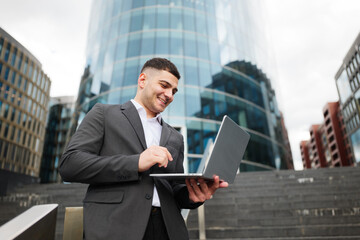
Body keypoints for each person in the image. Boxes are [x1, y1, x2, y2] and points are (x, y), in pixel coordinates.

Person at [59, 58, 228, 240]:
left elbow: (174, 189)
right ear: (142, 80)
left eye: (174, 91)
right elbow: (70, 164)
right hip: (115, 226)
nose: (170, 94)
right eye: (164, 85)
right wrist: (136, 162)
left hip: (168, 230)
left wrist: (194, 195)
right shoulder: (103, 114)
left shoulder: (176, 137)